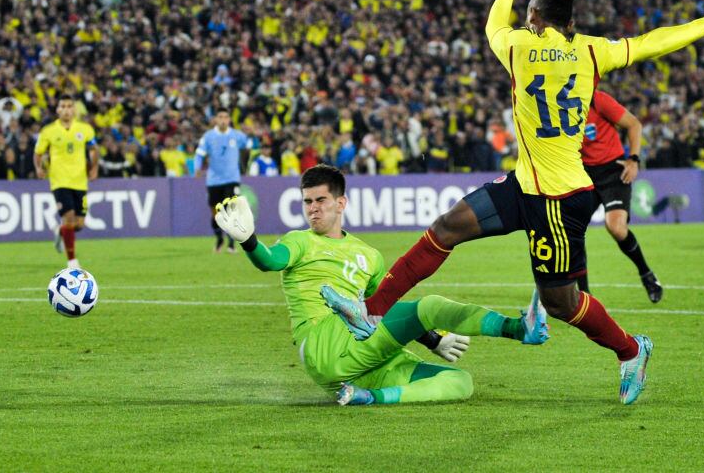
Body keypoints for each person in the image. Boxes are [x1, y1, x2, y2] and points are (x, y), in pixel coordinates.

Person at [325, 0, 704, 405]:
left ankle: (632, 350)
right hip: (529, 184)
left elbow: (492, 23)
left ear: (533, 19)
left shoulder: (518, 46)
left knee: (561, 303)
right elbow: (652, 43)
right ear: (570, 23)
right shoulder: (593, 52)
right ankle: (370, 312)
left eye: (529, 15)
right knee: (447, 227)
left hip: (556, 200)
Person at [214, 165, 549, 406]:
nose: (312, 209)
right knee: (428, 306)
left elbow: (383, 307)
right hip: (323, 342)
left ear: (340, 203)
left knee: (460, 382)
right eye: (307, 202)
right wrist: (249, 242)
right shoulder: (300, 242)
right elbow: (270, 261)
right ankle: (519, 328)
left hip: (360, 359)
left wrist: (432, 340)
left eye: (320, 201)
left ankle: (369, 397)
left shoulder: (368, 256)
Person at [578, 89, 662, 303]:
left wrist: (634, 159)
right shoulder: (557, 106)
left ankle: (646, 274)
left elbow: (634, 124)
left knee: (615, 227)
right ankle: (584, 297)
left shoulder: (596, 99)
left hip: (612, 171)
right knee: (572, 231)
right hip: (582, 173)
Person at [34, 95, 99, 269]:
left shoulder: (85, 129)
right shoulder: (48, 131)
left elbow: (93, 149)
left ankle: (60, 231)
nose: (66, 109)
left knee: (79, 225)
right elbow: (38, 152)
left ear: (74, 109)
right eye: (63, 106)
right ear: (58, 110)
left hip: (80, 181)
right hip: (59, 181)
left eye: (70, 106)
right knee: (69, 219)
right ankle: (72, 261)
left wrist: (94, 168)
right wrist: (39, 168)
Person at [195, 109, 251, 253]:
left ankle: (231, 244)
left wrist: (245, 163)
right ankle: (219, 238)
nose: (223, 120)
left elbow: (248, 145)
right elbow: (199, 154)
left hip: (232, 179)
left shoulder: (237, 136)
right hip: (213, 180)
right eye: (220, 117)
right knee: (216, 213)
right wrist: (197, 168)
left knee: (231, 210)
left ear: (229, 119)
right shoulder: (208, 137)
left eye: (226, 117)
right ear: (215, 119)